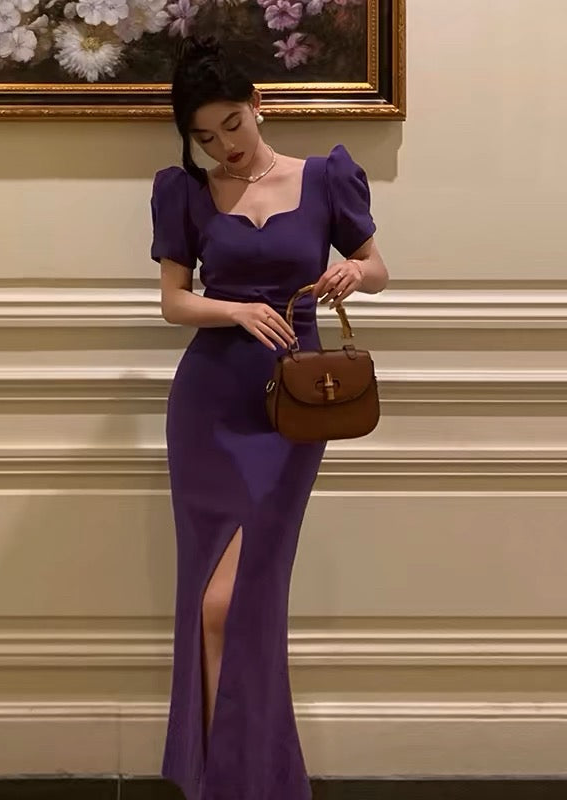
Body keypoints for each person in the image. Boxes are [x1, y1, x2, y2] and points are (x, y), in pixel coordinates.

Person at [149, 36, 390, 800]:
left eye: (232, 124)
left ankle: (248, 780)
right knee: (210, 604)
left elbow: (379, 269)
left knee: (240, 600)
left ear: (259, 105)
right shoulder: (184, 192)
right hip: (208, 404)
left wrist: (353, 271)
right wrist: (234, 310)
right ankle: (226, 782)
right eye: (204, 136)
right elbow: (173, 302)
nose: (223, 145)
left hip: (293, 410)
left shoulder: (324, 178)